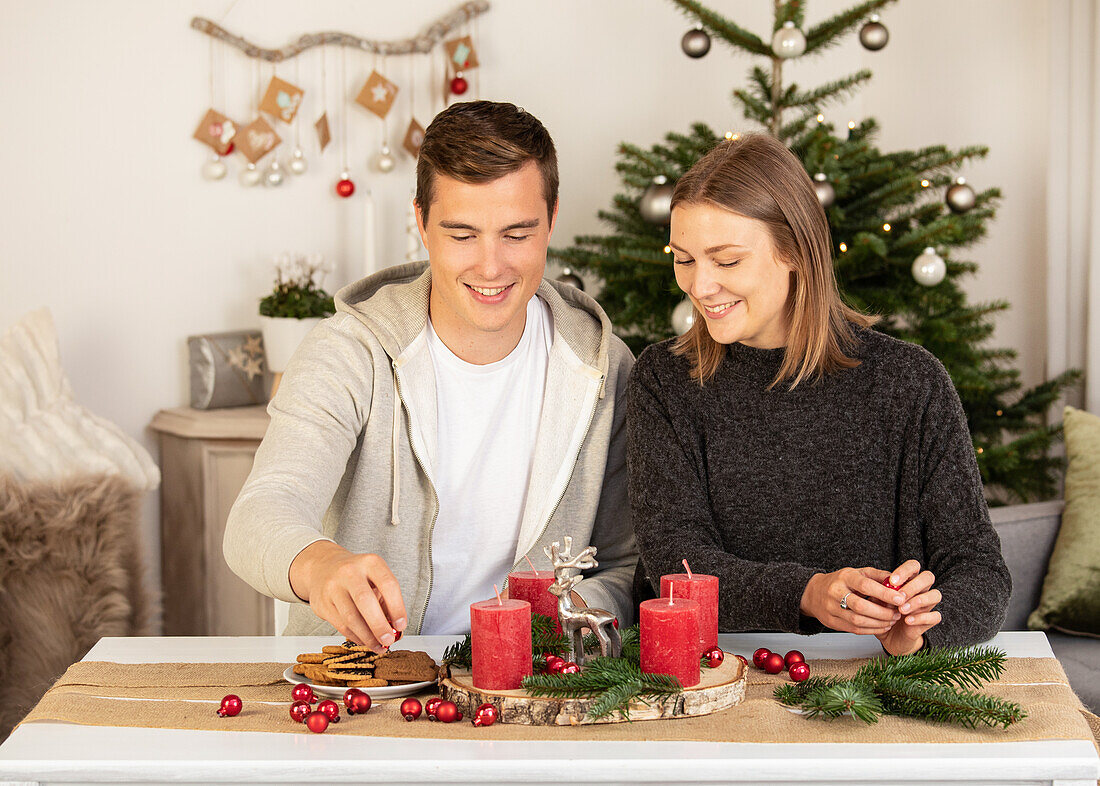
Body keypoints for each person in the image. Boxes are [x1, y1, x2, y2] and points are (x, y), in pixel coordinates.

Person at [224, 100, 636, 650]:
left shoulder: (604, 366)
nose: (491, 267)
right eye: (462, 234)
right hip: (365, 689)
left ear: (552, 219)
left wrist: (565, 618)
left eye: (517, 233)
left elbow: (624, 564)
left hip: (529, 693)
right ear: (420, 222)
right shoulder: (348, 353)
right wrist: (319, 563)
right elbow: (260, 513)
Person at [628, 134, 1010, 655]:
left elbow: (978, 568)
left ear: (795, 252)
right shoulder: (664, 380)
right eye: (685, 259)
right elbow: (676, 564)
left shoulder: (910, 382)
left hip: (870, 682)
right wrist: (807, 593)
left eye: (727, 260)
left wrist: (923, 625)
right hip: (710, 674)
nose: (700, 285)